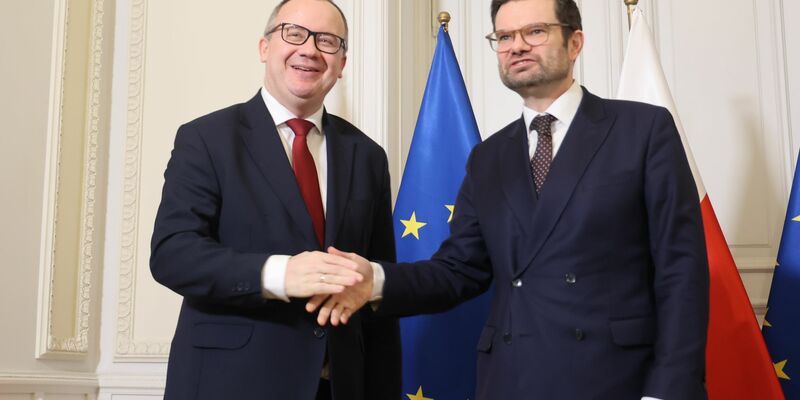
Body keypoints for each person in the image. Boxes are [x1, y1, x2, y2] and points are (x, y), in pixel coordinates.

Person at [309, 0, 710, 399]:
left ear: (575, 43)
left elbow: (681, 270)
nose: (516, 46)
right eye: (503, 36)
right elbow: (458, 270)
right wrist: (375, 280)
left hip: (619, 379)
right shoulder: (488, 157)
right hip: (511, 379)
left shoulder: (642, 129)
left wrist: (669, 390)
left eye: (534, 31)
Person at [149, 0, 400, 398]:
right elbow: (173, 254)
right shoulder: (206, 139)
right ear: (265, 47)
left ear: (342, 63)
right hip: (230, 383)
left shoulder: (367, 155)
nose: (310, 49)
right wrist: (280, 275)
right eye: (294, 33)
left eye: (328, 41)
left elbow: (377, 289)